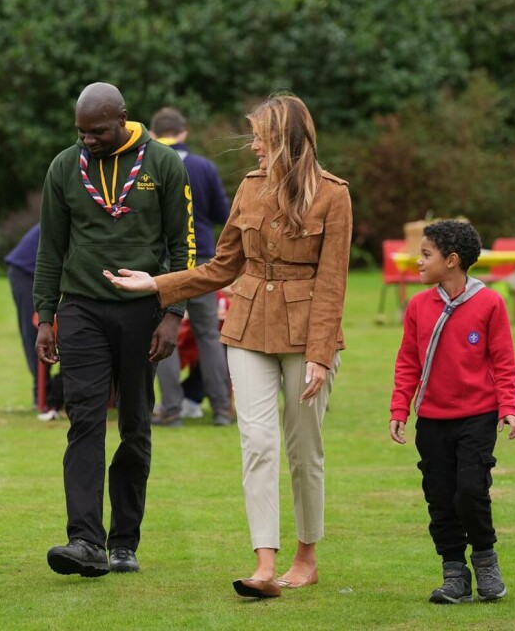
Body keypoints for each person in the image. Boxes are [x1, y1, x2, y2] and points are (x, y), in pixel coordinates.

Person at [104, 94, 351, 598]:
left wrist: (321, 355)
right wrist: (157, 284)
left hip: (308, 336)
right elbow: (223, 266)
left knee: (304, 448)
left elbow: (333, 283)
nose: (254, 146)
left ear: (284, 138)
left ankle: (306, 557)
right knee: (257, 444)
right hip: (246, 329)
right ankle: (264, 564)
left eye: (260, 136)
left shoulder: (333, 195)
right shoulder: (250, 188)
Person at [34, 82, 194, 577]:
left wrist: (172, 314)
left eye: (98, 132)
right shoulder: (64, 167)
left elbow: (183, 245)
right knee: (83, 419)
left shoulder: (164, 164)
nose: (88, 141)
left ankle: (124, 539)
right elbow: (51, 248)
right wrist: (45, 317)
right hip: (81, 307)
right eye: (81, 132)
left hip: (141, 309)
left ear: (123, 118)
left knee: (135, 424)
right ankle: (84, 541)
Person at [389, 220, 515, 604]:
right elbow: (407, 362)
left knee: (470, 492)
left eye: (426, 254)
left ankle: (484, 559)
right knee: (440, 496)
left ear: (451, 260)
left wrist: (508, 406)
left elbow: (503, 361)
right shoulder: (417, 305)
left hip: (477, 417)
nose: (418, 261)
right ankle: (454, 575)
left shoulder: (490, 303)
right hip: (431, 420)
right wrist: (401, 407)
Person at [149, 107, 232, 427]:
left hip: (165, 262)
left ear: (154, 134)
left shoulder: (148, 166)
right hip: (202, 261)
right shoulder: (205, 167)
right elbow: (221, 212)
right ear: (184, 133)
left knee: (161, 332)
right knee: (208, 334)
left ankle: (170, 410)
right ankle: (222, 409)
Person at [4, 222, 63, 420]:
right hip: (26, 271)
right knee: (37, 330)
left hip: (43, 271)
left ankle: (51, 393)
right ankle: (43, 396)